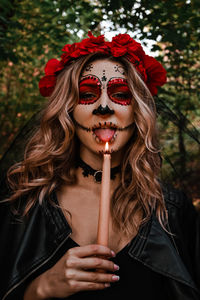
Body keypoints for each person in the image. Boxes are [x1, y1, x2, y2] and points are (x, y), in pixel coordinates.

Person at [0, 32, 199, 300]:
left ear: (138, 109)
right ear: (67, 109)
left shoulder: (173, 211)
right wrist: (39, 289)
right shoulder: (21, 204)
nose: (103, 107)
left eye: (119, 93)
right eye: (87, 94)